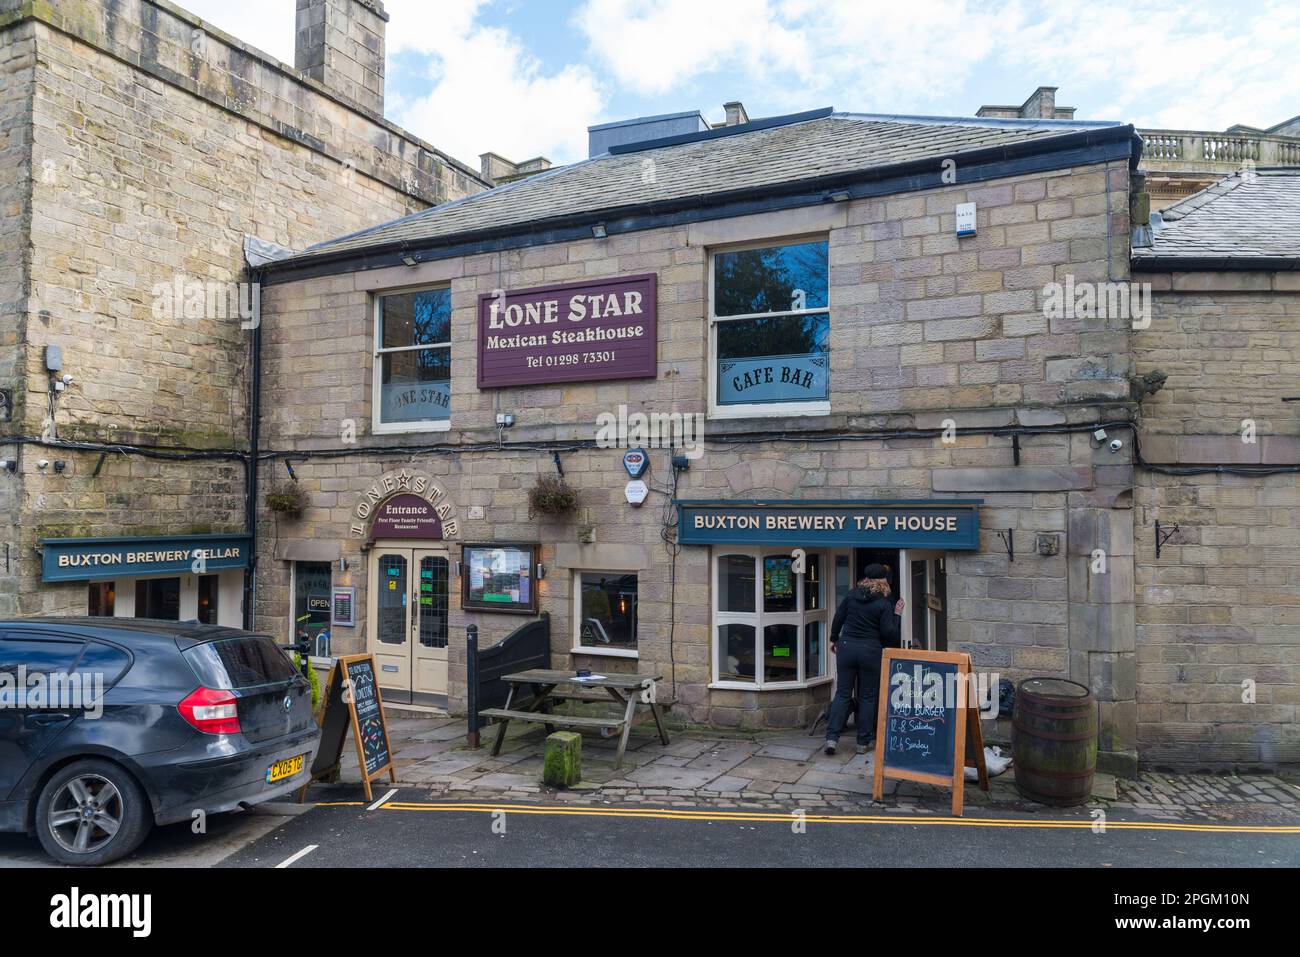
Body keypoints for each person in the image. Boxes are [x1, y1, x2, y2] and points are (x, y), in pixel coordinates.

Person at [824, 563, 903, 755]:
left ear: (865, 578)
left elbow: (838, 618)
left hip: (847, 647)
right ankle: (862, 743)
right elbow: (890, 633)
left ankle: (832, 739)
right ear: (883, 579)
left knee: (842, 694)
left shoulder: (851, 595)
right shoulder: (885, 602)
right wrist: (897, 614)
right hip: (870, 651)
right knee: (867, 696)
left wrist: (834, 639)